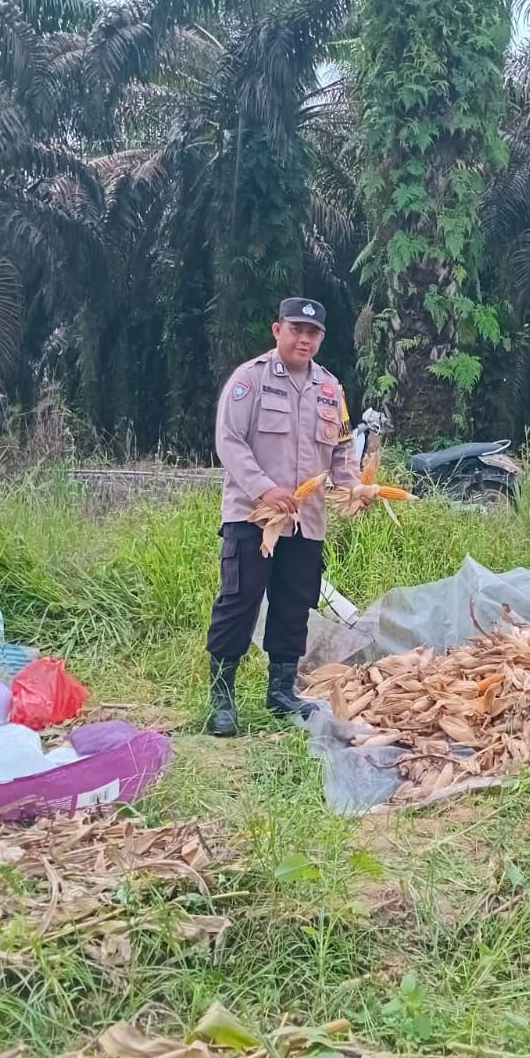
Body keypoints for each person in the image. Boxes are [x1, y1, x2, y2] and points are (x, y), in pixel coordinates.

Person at [205, 297, 364, 736]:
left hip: (307, 520)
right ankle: (222, 697)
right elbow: (229, 441)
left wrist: (355, 488)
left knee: (295, 607)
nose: (304, 339)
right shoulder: (249, 381)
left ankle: (281, 692)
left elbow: (342, 451)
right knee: (239, 602)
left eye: (312, 333)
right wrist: (264, 488)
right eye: (296, 329)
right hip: (253, 517)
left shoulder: (331, 390)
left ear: (321, 339)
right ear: (278, 331)